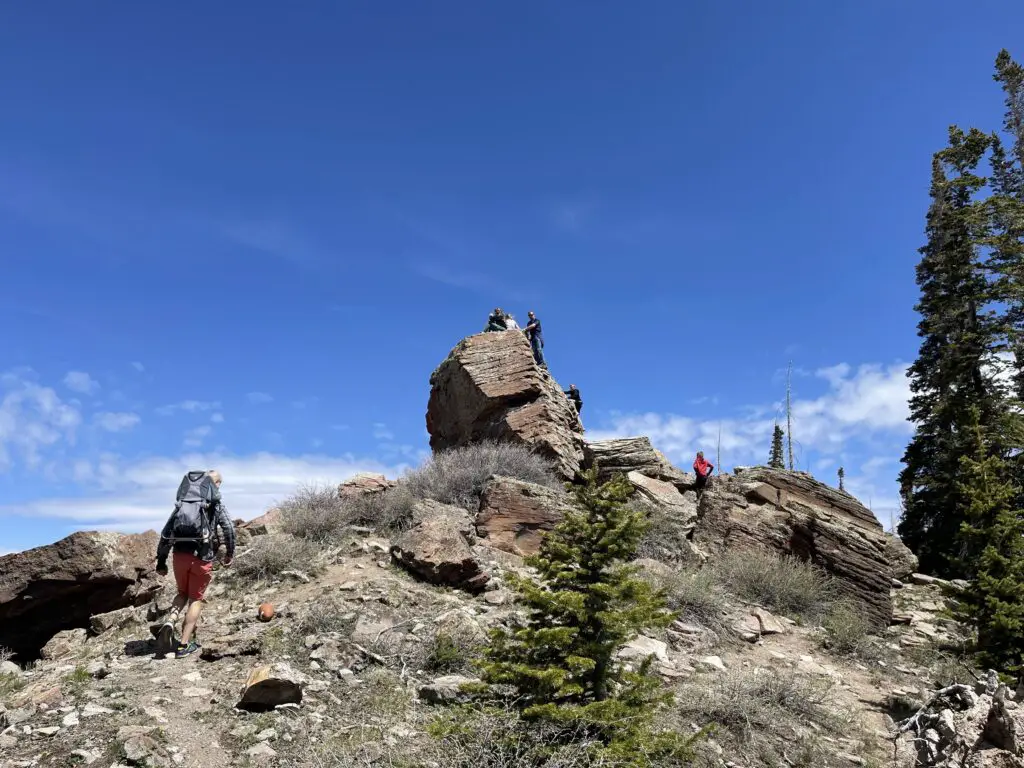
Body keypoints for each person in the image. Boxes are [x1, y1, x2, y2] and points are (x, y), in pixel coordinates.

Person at [155, 469, 235, 659]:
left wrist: (161, 561)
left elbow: (166, 531)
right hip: (202, 556)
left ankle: (171, 620)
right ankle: (183, 645)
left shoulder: (182, 504)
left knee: (181, 593)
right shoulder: (216, 505)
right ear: (213, 484)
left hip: (179, 556)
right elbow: (229, 529)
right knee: (196, 599)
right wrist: (229, 553)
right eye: (218, 483)